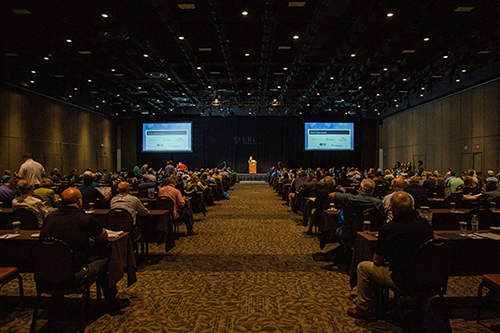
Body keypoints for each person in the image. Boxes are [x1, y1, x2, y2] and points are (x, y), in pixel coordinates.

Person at [40, 188, 130, 315]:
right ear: (80, 202)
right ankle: (111, 302)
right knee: (107, 260)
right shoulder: (85, 219)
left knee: (58, 258)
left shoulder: (49, 218)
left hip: (44, 275)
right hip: (75, 275)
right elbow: (103, 238)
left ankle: (57, 301)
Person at [347, 192, 434, 320]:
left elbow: (377, 260)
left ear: (392, 209)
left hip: (403, 278)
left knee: (362, 267)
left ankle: (364, 307)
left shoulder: (389, 229)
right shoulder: (425, 225)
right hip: (428, 276)